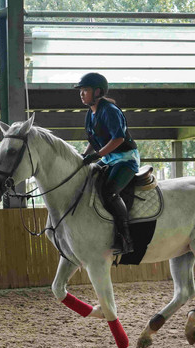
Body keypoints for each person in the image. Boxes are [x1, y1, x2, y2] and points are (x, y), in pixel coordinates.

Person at [74, 72, 140, 255]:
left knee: (109, 192)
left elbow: (118, 138)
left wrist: (97, 155)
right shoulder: (91, 113)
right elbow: (94, 139)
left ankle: (126, 239)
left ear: (97, 92)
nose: (81, 94)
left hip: (125, 159)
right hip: (108, 159)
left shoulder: (110, 110)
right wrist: (84, 155)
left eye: (85, 90)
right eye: (80, 90)